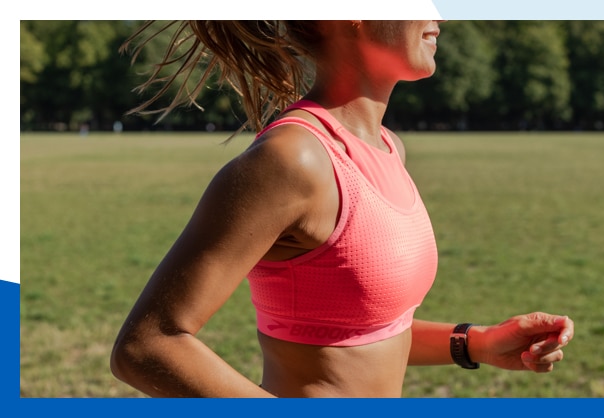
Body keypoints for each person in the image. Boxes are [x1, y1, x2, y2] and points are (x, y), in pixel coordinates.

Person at [110, 20, 574, 398]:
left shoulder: (388, 147)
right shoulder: (294, 160)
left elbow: (363, 334)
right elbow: (147, 345)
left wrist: (477, 343)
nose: (440, 17)